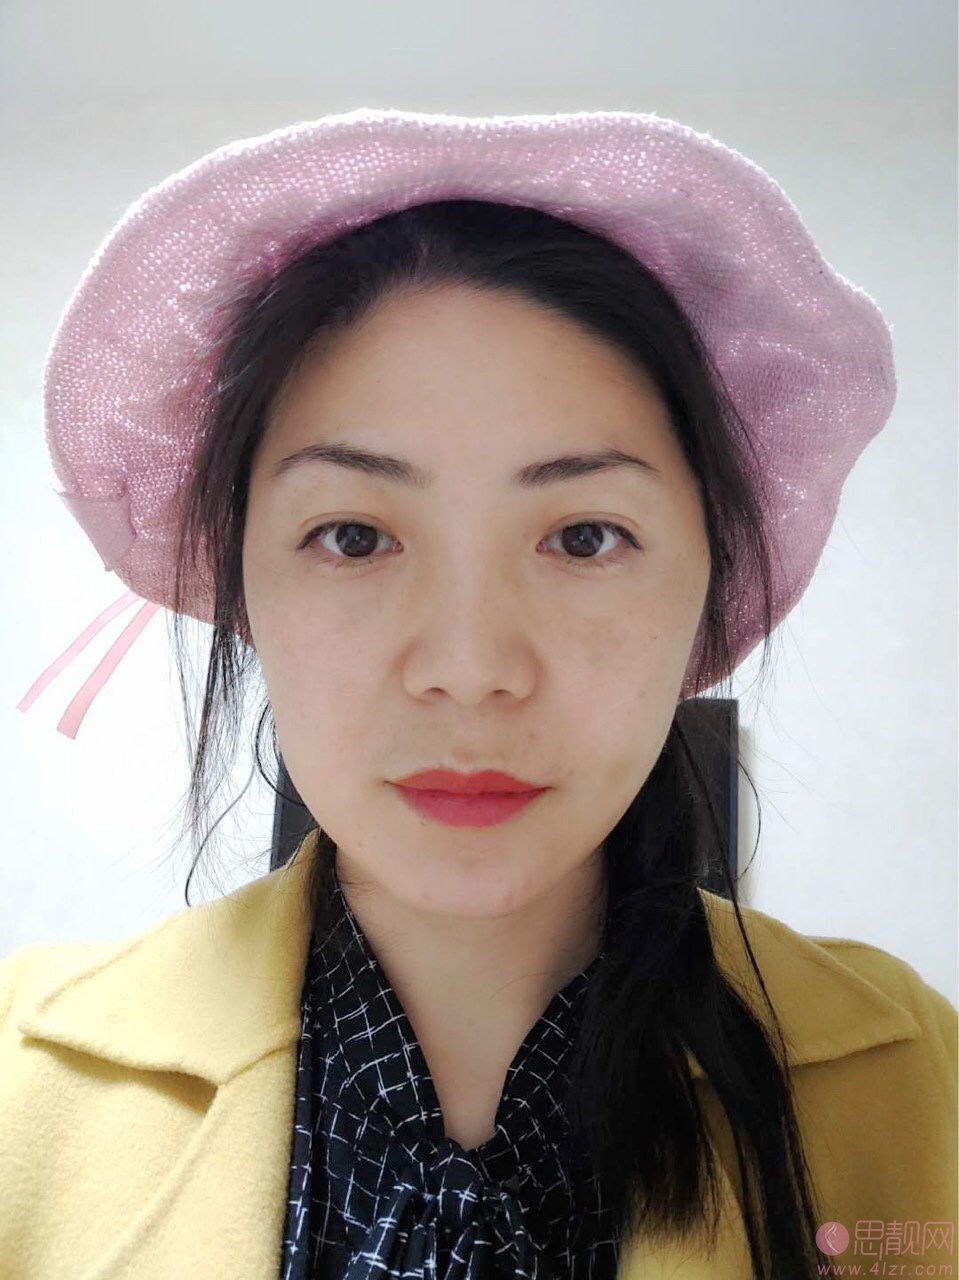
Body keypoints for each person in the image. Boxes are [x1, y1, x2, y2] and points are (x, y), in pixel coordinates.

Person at [2, 109, 956, 1280]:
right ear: (241, 579)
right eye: (353, 535)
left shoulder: (920, 1081)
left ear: (709, 583)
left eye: (583, 534)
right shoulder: (20, 1082)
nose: (467, 665)